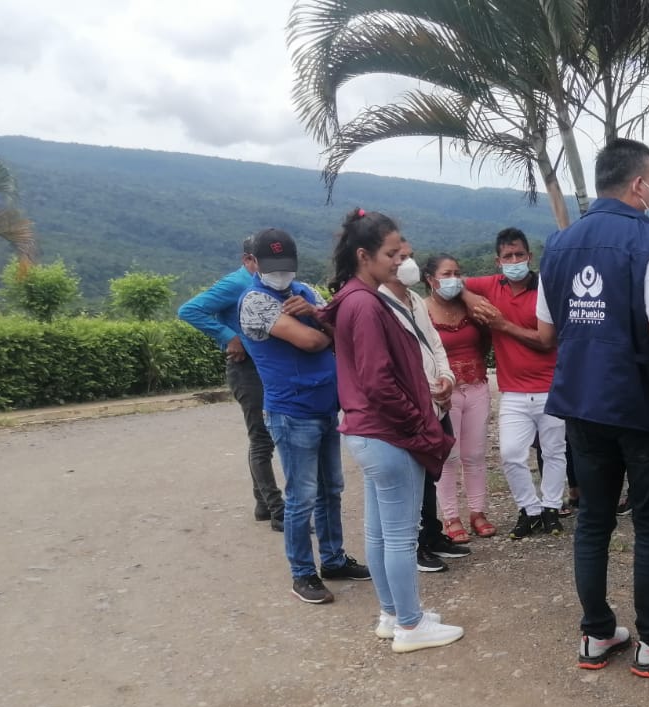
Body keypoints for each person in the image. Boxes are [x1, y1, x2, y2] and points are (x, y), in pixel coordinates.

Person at [536, 138, 649, 677]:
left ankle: (596, 634)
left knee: (593, 520)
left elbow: (547, 332)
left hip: (582, 405)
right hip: (642, 404)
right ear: (640, 184)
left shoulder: (561, 245)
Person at [323, 209, 463, 654]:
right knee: (401, 536)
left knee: (381, 533)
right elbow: (380, 380)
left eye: (403, 251)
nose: (399, 260)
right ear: (364, 255)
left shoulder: (354, 297)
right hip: (386, 433)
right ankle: (409, 623)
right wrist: (416, 423)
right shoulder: (366, 303)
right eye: (391, 253)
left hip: (367, 431)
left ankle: (392, 613)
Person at [237, 228, 370, 604]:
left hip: (326, 406)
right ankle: (303, 573)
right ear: (254, 264)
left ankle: (333, 559)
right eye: (272, 266)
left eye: (287, 266)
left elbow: (341, 329)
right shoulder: (255, 302)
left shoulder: (306, 293)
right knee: (302, 496)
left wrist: (314, 312)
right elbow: (313, 341)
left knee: (332, 489)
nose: (282, 274)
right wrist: (322, 325)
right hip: (292, 412)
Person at [463, 228, 567, 538]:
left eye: (519, 254)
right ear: (498, 261)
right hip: (513, 392)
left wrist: (501, 325)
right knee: (510, 453)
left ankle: (551, 507)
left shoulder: (546, 288)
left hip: (551, 386)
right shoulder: (491, 286)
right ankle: (529, 508)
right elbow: (455, 286)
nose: (514, 260)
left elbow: (546, 341)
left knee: (554, 452)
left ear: (529, 256)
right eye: (508, 256)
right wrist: (469, 296)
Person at [177, 236, 283, 530]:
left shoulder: (266, 286)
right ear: (248, 259)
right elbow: (189, 310)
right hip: (245, 369)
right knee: (261, 438)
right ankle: (277, 510)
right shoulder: (235, 284)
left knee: (262, 436)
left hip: (263, 367)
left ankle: (263, 504)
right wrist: (228, 336)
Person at [379, 242, 471, 573]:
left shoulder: (414, 299)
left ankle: (432, 535)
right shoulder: (379, 303)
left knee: (430, 471)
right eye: (399, 257)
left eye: (409, 256)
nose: (407, 263)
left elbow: (434, 344)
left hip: (436, 402)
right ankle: (415, 545)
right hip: (413, 406)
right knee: (411, 477)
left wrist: (445, 378)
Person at [418, 253, 496, 543]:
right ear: (430, 279)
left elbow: (486, 338)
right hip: (443, 391)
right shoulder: (421, 310)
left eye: (457, 273)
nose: (454, 279)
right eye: (447, 274)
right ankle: (450, 516)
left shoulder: (469, 306)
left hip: (475, 385)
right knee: (448, 456)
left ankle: (478, 511)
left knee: (475, 454)